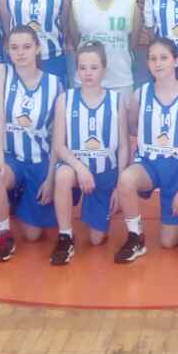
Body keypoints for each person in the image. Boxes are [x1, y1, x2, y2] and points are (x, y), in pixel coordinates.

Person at [115, 37, 178, 263]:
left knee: (168, 242)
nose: (158, 63)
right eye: (152, 58)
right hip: (148, 164)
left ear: (176, 61)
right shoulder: (140, 94)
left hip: (176, 168)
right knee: (126, 180)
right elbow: (132, 127)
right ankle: (136, 237)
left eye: (164, 58)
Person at [0, 26, 62, 262]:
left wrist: (50, 178)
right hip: (10, 157)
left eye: (27, 47)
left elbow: (58, 137)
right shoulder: (1, 72)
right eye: (14, 48)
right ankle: (3, 237)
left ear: (37, 48)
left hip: (40, 160)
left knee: (33, 235)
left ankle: (16, 199)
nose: (20, 53)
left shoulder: (54, 83)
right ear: (7, 50)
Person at [51, 42, 129, 265]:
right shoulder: (65, 100)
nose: (88, 73)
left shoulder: (116, 101)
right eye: (82, 67)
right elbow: (59, 146)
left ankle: (94, 209)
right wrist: (80, 168)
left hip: (105, 174)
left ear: (104, 68)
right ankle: (65, 236)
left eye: (93, 67)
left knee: (96, 240)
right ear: (76, 70)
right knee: (62, 175)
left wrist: (119, 186)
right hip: (76, 169)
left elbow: (124, 146)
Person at [71, 0, 138, 98]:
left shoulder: (130, 4)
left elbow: (132, 42)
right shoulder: (78, 4)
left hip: (120, 80)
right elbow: (76, 41)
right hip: (86, 81)